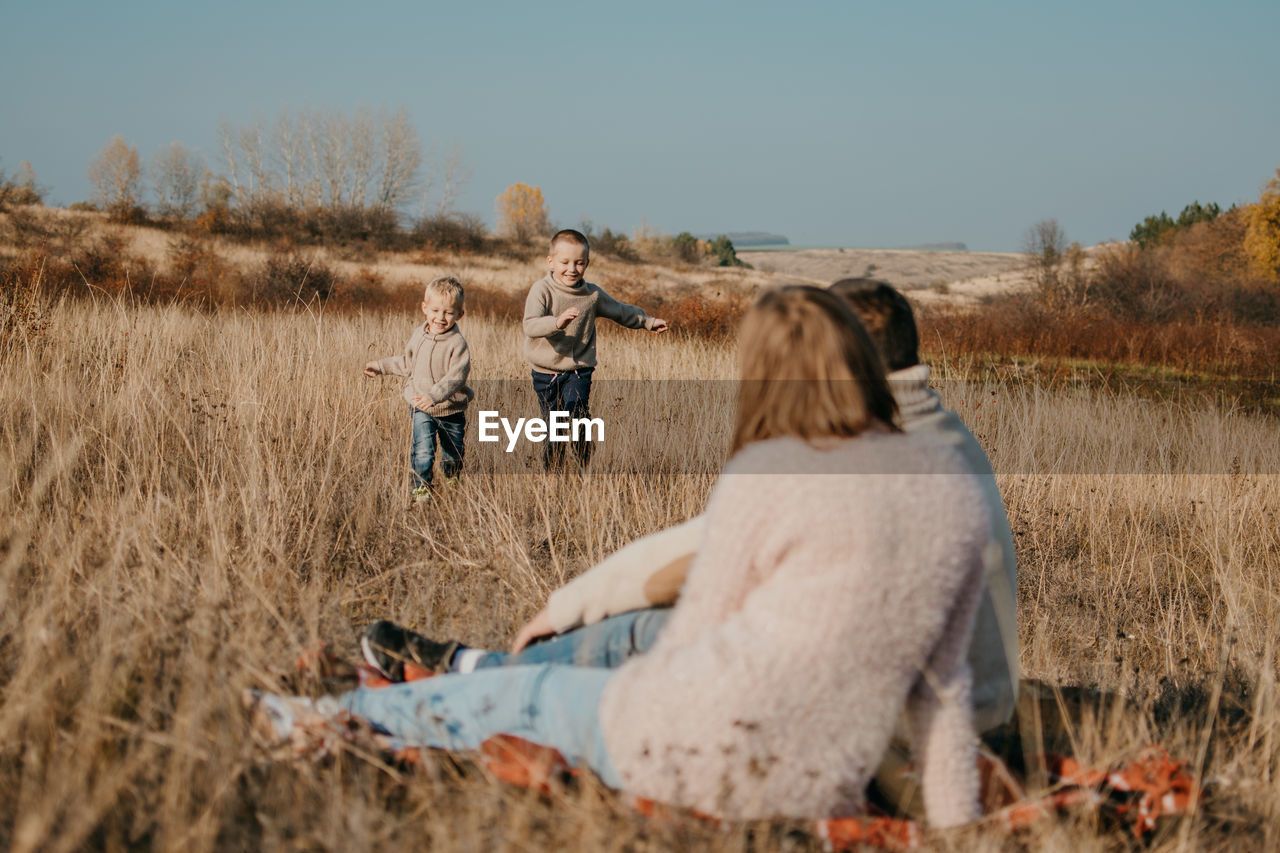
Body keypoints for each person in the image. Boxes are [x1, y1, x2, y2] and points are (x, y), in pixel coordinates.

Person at [247, 286, 992, 826]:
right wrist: (957, 827)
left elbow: (698, 635)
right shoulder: (953, 486)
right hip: (816, 783)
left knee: (510, 703)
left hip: (685, 744)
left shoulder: (772, 472)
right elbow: (945, 693)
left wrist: (604, 677)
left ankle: (307, 718)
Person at [363, 281, 1019, 742]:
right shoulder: (947, 435)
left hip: (892, 732)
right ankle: (481, 672)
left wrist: (562, 607)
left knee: (648, 634)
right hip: (971, 709)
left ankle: (469, 680)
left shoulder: (861, 457)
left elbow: (698, 552)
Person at [523, 228, 668, 466]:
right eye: (565, 262)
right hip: (545, 371)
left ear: (587, 264)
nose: (572, 269)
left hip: (579, 369)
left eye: (579, 263)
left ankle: (584, 461)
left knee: (578, 413)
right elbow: (530, 326)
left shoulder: (592, 294)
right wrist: (557, 322)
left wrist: (648, 322)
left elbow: (621, 311)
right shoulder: (542, 290)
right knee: (555, 427)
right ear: (550, 261)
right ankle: (553, 474)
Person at [364, 276, 473, 499]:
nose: (440, 318)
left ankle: (451, 478)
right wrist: (381, 366)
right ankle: (421, 488)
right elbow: (407, 363)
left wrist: (435, 396)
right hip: (420, 406)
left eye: (448, 312)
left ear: (459, 314)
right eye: (435, 310)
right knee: (423, 450)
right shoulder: (419, 335)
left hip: (450, 410)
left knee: (453, 453)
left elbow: (457, 377)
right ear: (424, 308)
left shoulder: (457, 344)